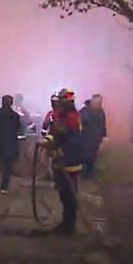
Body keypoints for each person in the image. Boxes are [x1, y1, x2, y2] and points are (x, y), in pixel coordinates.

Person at [42, 89, 85, 234]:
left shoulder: (70, 117)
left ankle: (69, 225)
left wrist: (49, 142)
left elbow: (60, 134)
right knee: (64, 193)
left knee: (68, 194)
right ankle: (67, 223)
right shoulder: (68, 116)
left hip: (68, 160)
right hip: (66, 159)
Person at [0, 95, 23, 193]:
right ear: (11, 103)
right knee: (7, 167)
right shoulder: (15, 115)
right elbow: (18, 128)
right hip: (10, 144)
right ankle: (4, 188)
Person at [79, 94, 107, 178]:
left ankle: (89, 174)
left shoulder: (101, 112)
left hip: (95, 139)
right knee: (83, 156)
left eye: (99, 102)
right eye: (96, 101)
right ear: (92, 101)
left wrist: (104, 137)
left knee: (92, 157)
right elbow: (79, 122)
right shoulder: (84, 111)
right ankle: (81, 174)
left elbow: (103, 125)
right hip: (84, 138)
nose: (98, 104)